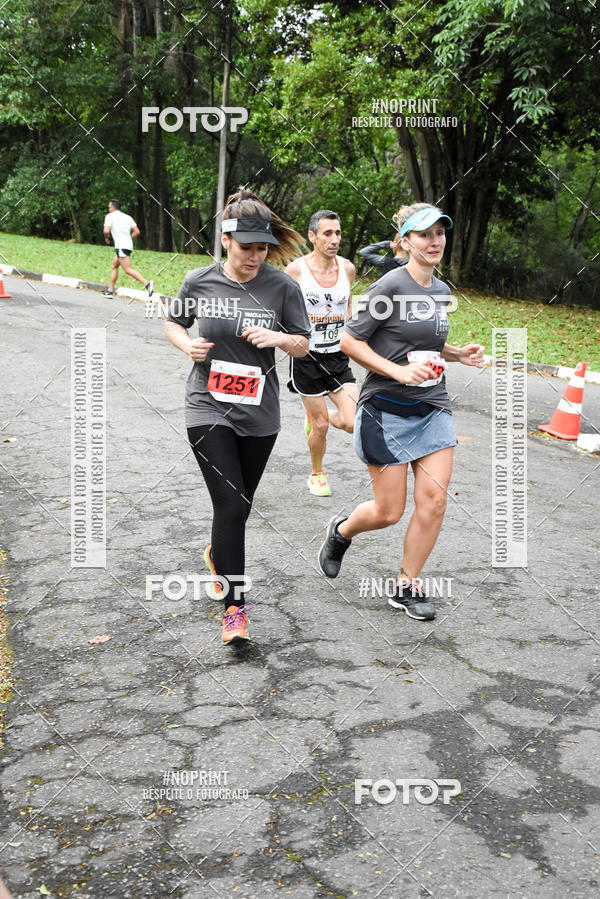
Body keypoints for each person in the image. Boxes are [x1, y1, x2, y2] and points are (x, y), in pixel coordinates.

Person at [318, 202, 484, 621]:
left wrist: (458, 354)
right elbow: (350, 341)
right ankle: (341, 532)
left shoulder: (440, 291)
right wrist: (398, 372)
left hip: (432, 405)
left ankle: (406, 585)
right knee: (389, 511)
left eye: (440, 234)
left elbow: (423, 338)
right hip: (386, 408)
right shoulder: (389, 286)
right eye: (425, 234)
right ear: (406, 241)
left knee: (434, 501)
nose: (434, 242)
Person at [165, 188, 310, 645]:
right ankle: (234, 610)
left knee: (239, 509)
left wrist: (279, 339)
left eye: (262, 247)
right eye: (246, 247)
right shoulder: (199, 280)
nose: (255, 256)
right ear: (226, 240)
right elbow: (173, 322)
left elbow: (304, 343)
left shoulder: (282, 287)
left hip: (259, 413)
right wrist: (186, 345)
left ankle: (218, 554)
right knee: (229, 504)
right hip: (206, 405)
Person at [285, 210, 358, 496]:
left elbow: (347, 307)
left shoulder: (348, 269)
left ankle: (317, 416)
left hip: (338, 356)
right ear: (313, 237)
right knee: (322, 427)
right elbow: (283, 308)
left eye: (338, 233)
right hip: (307, 358)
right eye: (327, 233)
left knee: (352, 422)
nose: (335, 239)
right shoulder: (296, 270)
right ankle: (317, 473)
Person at [102, 199, 154, 297]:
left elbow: (106, 230)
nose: (108, 208)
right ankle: (110, 291)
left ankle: (147, 283)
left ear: (113, 207)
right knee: (114, 266)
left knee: (127, 269)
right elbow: (137, 232)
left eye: (109, 207)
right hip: (126, 245)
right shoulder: (128, 217)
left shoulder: (109, 216)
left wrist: (106, 238)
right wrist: (128, 239)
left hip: (121, 246)